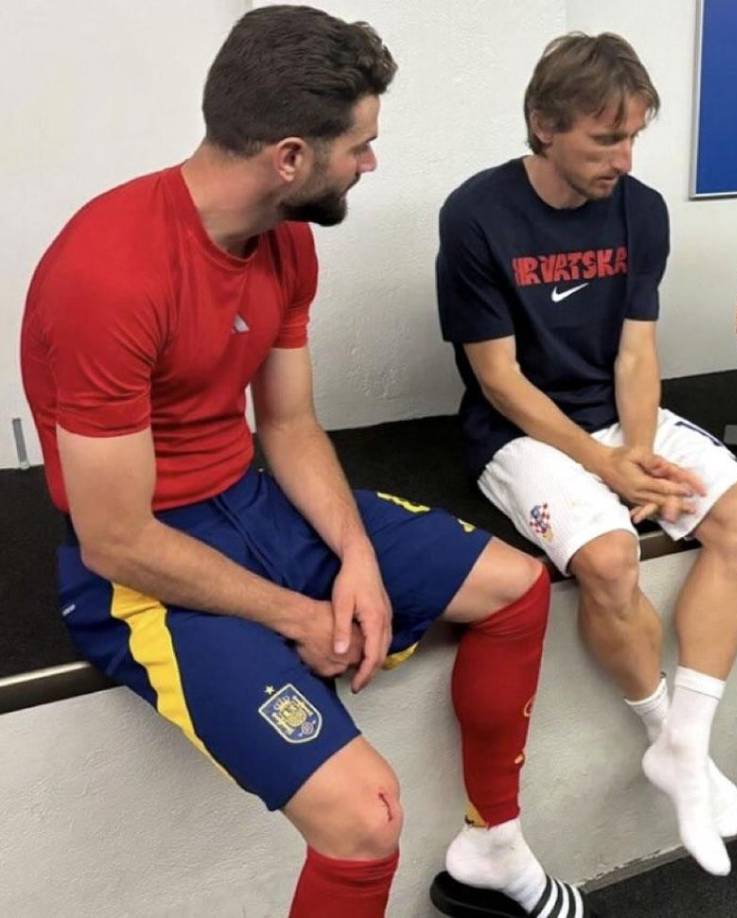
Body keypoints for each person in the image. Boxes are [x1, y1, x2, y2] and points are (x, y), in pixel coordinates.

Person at [20, 7, 591, 916]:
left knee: (516, 588)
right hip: (144, 568)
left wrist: (356, 558)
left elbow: (287, 425)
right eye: (359, 146)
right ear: (289, 157)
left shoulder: (285, 239)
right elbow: (115, 538)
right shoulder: (109, 273)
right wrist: (299, 615)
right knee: (366, 818)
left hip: (255, 502)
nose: (371, 163)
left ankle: (492, 847)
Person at [437, 32, 737, 878]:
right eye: (603, 140)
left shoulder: (641, 209)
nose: (622, 160)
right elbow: (499, 379)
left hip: (619, 417)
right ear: (542, 125)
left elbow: (635, 353)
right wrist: (602, 467)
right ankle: (668, 739)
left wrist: (637, 452)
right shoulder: (475, 214)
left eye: (632, 138)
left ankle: (686, 743)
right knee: (610, 559)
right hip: (519, 431)